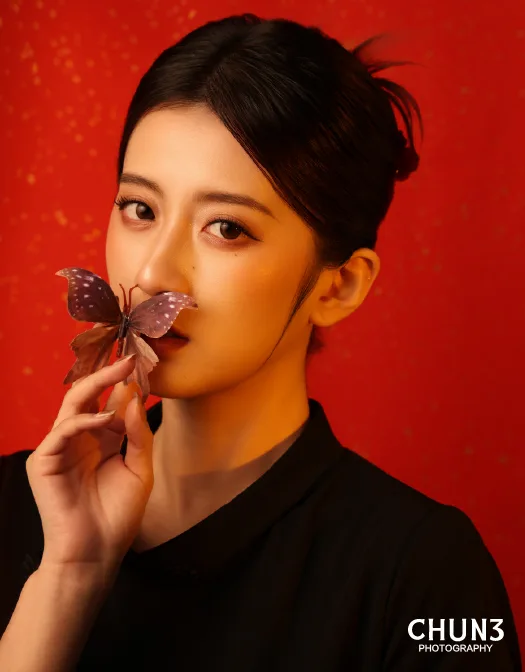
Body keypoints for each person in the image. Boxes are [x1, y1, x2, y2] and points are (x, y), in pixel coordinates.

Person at [0, 13, 521, 672]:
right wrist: (67, 579)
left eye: (226, 228)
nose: (152, 273)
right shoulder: (13, 506)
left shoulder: (423, 572)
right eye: (140, 209)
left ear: (339, 285)